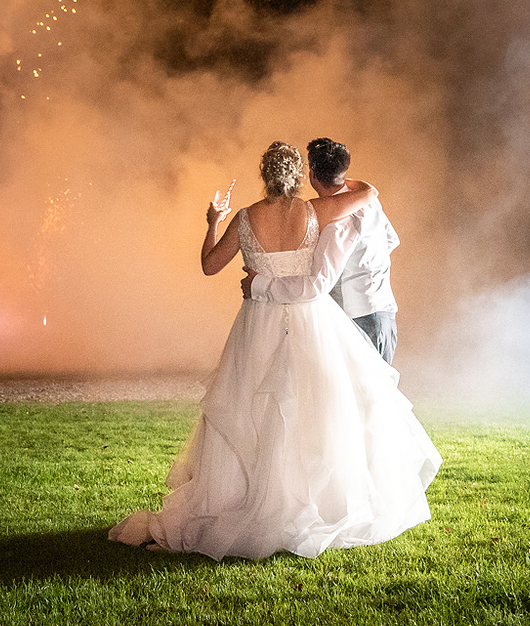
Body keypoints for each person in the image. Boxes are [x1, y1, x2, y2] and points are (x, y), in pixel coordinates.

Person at [108, 141, 441, 560]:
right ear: (300, 175)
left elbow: (210, 265)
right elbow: (369, 194)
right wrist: (345, 176)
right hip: (309, 322)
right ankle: (306, 501)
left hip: (258, 324)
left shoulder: (245, 218)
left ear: (264, 175)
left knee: (252, 410)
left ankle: (245, 499)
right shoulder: (315, 212)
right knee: (307, 412)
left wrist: (214, 221)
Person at [244, 137, 400, 362]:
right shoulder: (370, 202)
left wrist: (258, 284)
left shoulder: (337, 223)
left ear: (312, 174)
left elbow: (317, 284)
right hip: (384, 311)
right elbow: (391, 240)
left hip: (356, 318)